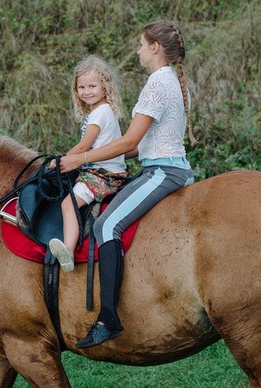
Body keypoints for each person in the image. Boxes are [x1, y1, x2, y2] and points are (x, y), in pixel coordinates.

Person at [59, 20, 196, 348]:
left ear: (154, 48)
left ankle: (108, 317)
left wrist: (82, 159)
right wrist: (108, 155)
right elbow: (138, 145)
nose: (137, 50)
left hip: (163, 172)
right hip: (159, 165)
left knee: (105, 227)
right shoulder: (169, 80)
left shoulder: (156, 84)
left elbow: (128, 142)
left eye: (140, 44)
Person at [49, 55, 129, 273]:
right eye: (82, 87)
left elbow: (84, 146)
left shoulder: (99, 114)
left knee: (68, 204)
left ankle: (68, 249)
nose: (87, 91)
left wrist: (59, 161)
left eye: (92, 86)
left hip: (102, 175)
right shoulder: (103, 111)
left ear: (105, 87)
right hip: (106, 171)